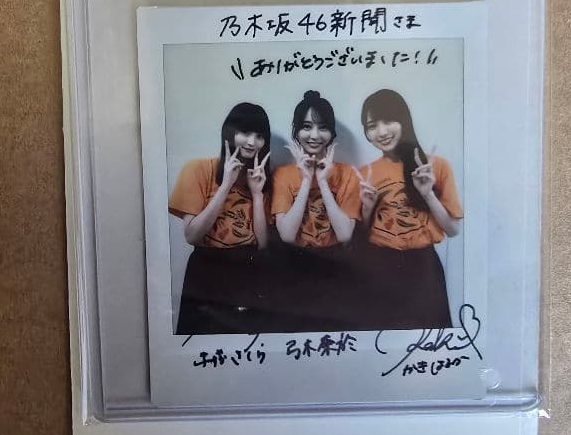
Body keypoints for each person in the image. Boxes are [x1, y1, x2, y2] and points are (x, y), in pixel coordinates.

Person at [353, 88, 463, 329]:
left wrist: (428, 194)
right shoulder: (364, 174)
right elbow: (360, 236)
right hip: (380, 267)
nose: (382, 131)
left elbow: (453, 229)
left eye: (388, 120)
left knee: (430, 341)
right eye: (372, 125)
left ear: (403, 120)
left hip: (423, 268)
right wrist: (368, 208)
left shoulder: (435, 166)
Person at [168, 102, 273, 335]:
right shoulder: (198, 169)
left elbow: (263, 243)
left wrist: (257, 194)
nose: (252, 142)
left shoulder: (261, 177)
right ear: (229, 132)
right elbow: (192, 235)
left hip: (248, 270)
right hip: (206, 269)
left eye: (259, 136)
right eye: (245, 132)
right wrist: (226, 184)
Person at [271, 90, 361, 329]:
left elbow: (344, 234)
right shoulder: (282, 175)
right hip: (294, 268)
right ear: (296, 131)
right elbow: (287, 235)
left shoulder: (347, 174)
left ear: (332, 133)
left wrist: (322, 181)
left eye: (322, 127)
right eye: (306, 127)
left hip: (336, 267)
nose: (314, 135)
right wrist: (305, 181)